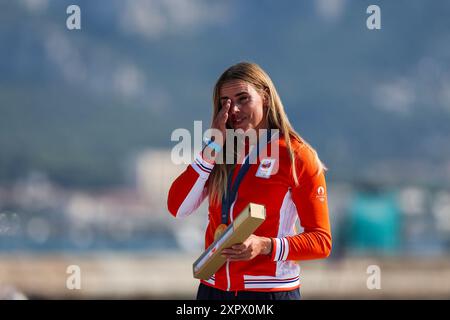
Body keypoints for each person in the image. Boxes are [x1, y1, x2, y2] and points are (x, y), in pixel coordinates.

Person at [167, 62, 331, 300]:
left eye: (243, 99)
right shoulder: (222, 152)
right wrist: (212, 147)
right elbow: (178, 207)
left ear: (265, 96)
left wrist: (265, 245)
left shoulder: (297, 156)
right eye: (226, 102)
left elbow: (321, 241)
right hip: (212, 290)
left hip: (269, 292)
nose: (233, 109)